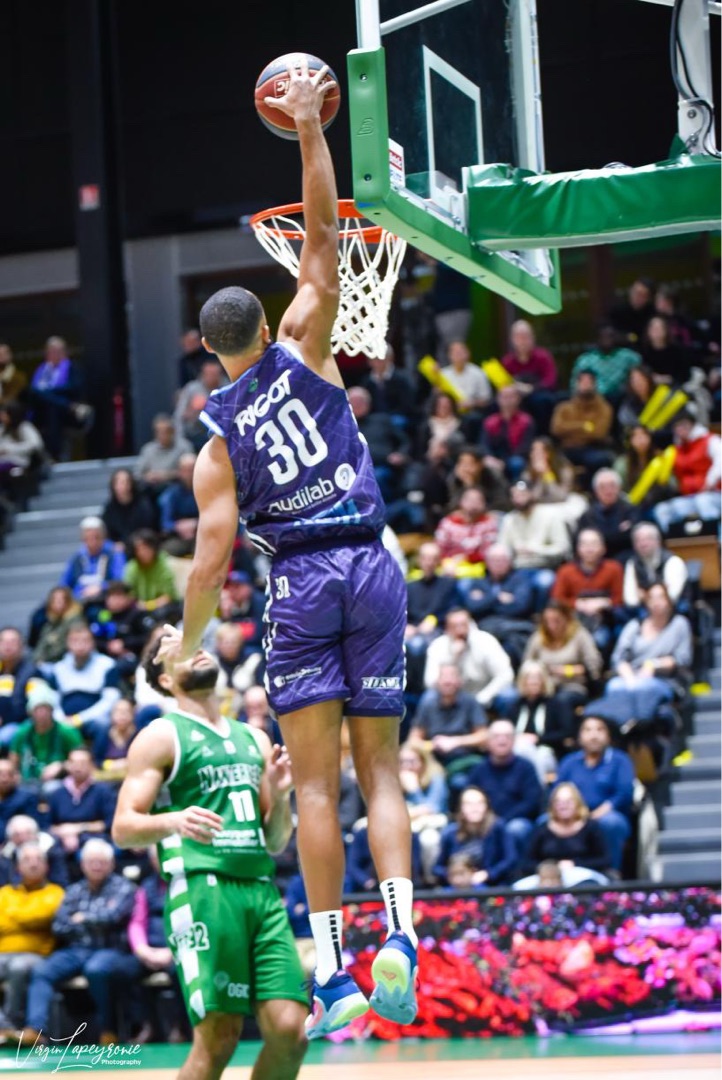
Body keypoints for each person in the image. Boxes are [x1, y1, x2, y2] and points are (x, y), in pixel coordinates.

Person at [151, 62, 417, 1038]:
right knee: (380, 771)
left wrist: (187, 639)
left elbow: (215, 558)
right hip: (371, 562)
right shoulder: (306, 340)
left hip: (300, 580)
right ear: (265, 325)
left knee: (312, 785)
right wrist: (310, 131)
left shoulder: (213, 444)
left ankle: (337, 970)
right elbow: (317, 241)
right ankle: (402, 934)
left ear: (204, 350)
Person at [112, 632, 308, 1079]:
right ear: (164, 678)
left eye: (194, 640)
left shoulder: (254, 738)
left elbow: (276, 840)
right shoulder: (161, 735)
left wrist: (279, 798)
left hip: (261, 890)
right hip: (204, 889)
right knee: (218, 1039)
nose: (193, 647)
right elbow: (123, 827)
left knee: (291, 1032)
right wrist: (172, 821)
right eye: (174, 648)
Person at [21, 838, 138, 1047]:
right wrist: (93, 919)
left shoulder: (123, 887)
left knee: (97, 970)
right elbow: (59, 925)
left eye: (101, 861)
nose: (96, 866)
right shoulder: (74, 890)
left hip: (110, 949)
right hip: (77, 949)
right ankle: (35, 1030)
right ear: (82, 864)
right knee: (42, 971)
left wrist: (82, 917)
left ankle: (107, 1030)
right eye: (91, 861)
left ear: (111, 864)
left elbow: (113, 917)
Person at [0, 842, 64, 1040]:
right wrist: (25, 919)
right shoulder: (5, 893)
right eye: (27, 860)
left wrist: (13, 916)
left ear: (47, 866)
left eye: (38, 860)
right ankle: (3, 1027)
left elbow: (42, 916)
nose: (33, 864)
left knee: (19, 967)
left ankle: (11, 1025)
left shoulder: (55, 892)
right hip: (3, 953)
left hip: (37, 955)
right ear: (18, 867)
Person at [605, 582, 693, 723]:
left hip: (664, 679)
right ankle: (620, 730)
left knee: (645, 688)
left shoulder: (679, 624)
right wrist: (629, 678)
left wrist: (654, 664)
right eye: (652, 598)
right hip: (632, 677)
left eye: (660, 597)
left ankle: (640, 727)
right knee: (614, 686)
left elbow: (683, 659)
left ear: (669, 601)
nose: (656, 602)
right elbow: (619, 658)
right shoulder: (635, 625)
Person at [554, 716, 634, 871]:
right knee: (543, 823)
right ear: (579, 737)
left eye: (599, 729)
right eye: (588, 730)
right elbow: (557, 791)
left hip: (606, 814)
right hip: (571, 814)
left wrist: (597, 814)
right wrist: (575, 815)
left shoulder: (620, 760)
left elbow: (624, 793)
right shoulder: (569, 762)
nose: (594, 735)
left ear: (608, 736)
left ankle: (611, 873)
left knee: (610, 823)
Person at [410, 663, 488, 801]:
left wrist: (455, 742)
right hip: (433, 759)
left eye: (452, 677)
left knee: (459, 782)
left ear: (459, 681)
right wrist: (431, 745)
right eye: (444, 677)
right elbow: (414, 739)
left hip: (463, 760)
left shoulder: (470, 702)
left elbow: (483, 736)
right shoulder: (428, 703)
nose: (448, 681)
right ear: (437, 681)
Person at [467, 720, 544, 860]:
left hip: (516, 820)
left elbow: (531, 802)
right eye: (496, 736)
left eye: (507, 736)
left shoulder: (526, 768)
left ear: (514, 741)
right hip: (483, 821)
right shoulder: (478, 770)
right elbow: (468, 797)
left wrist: (501, 821)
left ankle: (517, 875)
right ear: (488, 741)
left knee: (516, 829)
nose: (502, 741)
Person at [424, 609, 514, 711]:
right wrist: (453, 658)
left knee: (509, 696)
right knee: (429, 698)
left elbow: (506, 675)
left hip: (484, 692)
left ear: (470, 625)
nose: (460, 631)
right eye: (455, 626)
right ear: (447, 629)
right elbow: (430, 682)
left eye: (463, 625)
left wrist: (482, 698)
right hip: (452, 696)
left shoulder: (486, 641)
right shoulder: (438, 646)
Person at [522, 603, 603, 716]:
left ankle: (565, 733)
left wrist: (565, 670)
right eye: (547, 621)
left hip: (572, 685)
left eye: (556, 620)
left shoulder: (579, 635)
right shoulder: (539, 637)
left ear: (566, 618)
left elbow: (593, 665)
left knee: (560, 701)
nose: (552, 625)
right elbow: (527, 663)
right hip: (543, 686)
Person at [519, 783, 611, 883]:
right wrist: (551, 868)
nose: (563, 806)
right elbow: (526, 863)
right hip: (547, 881)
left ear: (577, 803)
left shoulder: (591, 827)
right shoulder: (542, 828)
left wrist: (574, 864)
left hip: (583, 878)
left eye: (569, 801)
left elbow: (604, 860)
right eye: (558, 802)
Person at [42, 624, 121, 739]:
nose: (80, 645)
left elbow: (110, 700)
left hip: (94, 717)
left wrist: (80, 719)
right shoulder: (58, 668)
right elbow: (52, 699)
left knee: (102, 725)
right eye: (75, 641)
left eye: (85, 640)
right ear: (67, 643)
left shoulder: (107, 665)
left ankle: (99, 758)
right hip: (63, 719)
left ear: (93, 643)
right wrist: (61, 718)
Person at [551, 529, 623, 652]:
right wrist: (579, 604)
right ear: (578, 548)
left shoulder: (614, 568)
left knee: (602, 640)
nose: (589, 549)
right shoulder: (566, 571)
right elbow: (557, 599)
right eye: (585, 544)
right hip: (573, 621)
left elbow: (620, 598)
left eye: (594, 544)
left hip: (603, 621)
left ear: (603, 548)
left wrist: (604, 603)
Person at [652, 410, 721, 533]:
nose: (681, 429)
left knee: (703, 501)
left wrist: (710, 482)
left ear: (692, 425)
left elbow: (720, 462)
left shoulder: (710, 440)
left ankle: (716, 541)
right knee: (662, 510)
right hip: (690, 498)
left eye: (684, 425)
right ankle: (674, 543)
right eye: (677, 427)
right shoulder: (674, 450)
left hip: (714, 494)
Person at [432, 786, 516, 887]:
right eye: (469, 804)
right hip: (457, 887)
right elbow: (437, 868)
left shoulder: (498, 828)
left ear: (487, 806)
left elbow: (510, 859)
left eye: (479, 803)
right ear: (461, 808)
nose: (474, 808)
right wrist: (454, 876)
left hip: (491, 885)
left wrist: (488, 874)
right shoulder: (450, 832)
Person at [9, 684, 83, 792]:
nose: (42, 713)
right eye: (38, 709)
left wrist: (61, 765)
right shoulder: (23, 732)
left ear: (52, 710)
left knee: (52, 789)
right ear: (30, 712)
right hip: (28, 779)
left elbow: (82, 761)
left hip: (59, 781)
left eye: (45, 709)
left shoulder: (66, 732)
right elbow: (13, 760)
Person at [47, 746, 116, 856]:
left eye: (83, 763)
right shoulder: (57, 793)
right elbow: (48, 825)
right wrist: (65, 834)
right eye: (73, 763)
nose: (77, 767)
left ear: (91, 766)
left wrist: (78, 829)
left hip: (93, 839)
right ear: (67, 765)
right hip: (61, 839)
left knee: (94, 850)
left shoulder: (103, 791)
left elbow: (108, 824)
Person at [550, 370, 614, 483]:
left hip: (591, 448)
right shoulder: (564, 407)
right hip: (567, 449)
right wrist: (583, 426)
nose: (585, 385)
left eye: (588, 382)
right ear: (576, 384)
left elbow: (599, 433)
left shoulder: (604, 408)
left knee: (601, 459)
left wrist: (569, 430)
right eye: (582, 381)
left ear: (594, 384)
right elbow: (556, 429)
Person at [500, 320, 558, 432]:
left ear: (532, 338)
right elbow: (502, 384)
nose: (522, 341)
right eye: (519, 337)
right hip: (515, 396)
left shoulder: (543, 357)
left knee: (543, 401)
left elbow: (550, 381)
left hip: (538, 394)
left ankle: (542, 435)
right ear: (512, 340)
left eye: (525, 337)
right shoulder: (507, 361)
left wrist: (531, 388)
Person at [60, 517, 126, 605]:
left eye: (96, 537)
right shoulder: (76, 557)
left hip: (106, 600)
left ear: (103, 537)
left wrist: (102, 587)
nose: (92, 542)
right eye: (88, 538)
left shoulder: (114, 553)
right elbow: (64, 584)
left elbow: (119, 580)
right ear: (83, 539)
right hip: (79, 601)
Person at [623, 522, 688, 610]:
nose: (643, 544)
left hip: (674, 613)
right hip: (642, 613)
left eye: (648, 539)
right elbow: (630, 600)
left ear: (658, 541)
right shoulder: (632, 563)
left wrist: (644, 596)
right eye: (638, 540)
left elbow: (671, 597)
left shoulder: (673, 561)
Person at [434, 486, 500, 571]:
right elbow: (439, 547)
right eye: (470, 500)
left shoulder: (489, 523)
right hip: (450, 565)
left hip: (480, 567)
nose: (474, 504)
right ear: (461, 502)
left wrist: (466, 558)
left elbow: (488, 550)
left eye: (478, 500)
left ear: (484, 504)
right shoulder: (448, 523)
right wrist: (447, 561)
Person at [576, 468, 639, 558]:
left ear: (619, 488)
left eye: (612, 486)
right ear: (596, 491)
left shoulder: (630, 510)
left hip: (625, 555)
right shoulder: (588, 515)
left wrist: (603, 537)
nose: (608, 491)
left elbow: (632, 536)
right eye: (603, 487)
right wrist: (619, 532)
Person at [571, 323, 641, 400]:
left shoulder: (627, 356)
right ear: (597, 338)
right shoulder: (586, 360)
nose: (607, 340)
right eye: (603, 336)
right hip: (594, 399)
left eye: (610, 336)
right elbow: (574, 383)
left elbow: (640, 371)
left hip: (621, 398)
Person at [101, 468, 157, 555]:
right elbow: (107, 533)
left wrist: (128, 544)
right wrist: (114, 544)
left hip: (140, 546)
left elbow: (148, 530)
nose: (121, 486)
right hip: (117, 549)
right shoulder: (109, 508)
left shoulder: (143, 505)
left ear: (131, 484)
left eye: (124, 482)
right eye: (118, 482)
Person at [175, 359, 227, 452]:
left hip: (221, 435)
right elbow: (179, 415)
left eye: (215, 374)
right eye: (209, 374)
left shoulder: (227, 388)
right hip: (194, 434)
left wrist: (209, 406)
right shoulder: (192, 389)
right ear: (203, 375)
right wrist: (193, 411)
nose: (212, 377)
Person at [134, 414, 194, 495]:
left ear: (173, 431)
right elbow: (137, 474)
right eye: (159, 432)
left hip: (178, 488)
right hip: (152, 489)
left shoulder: (184, 447)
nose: (163, 435)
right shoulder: (148, 450)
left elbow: (192, 472)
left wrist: (167, 475)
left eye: (166, 431)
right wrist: (147, 477)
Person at [0, 627, 40, 747]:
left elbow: (23, 707)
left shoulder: (32, 672)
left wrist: (4, 718)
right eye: (3, 642)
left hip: (20, 724)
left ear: (22, 646)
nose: (8, 646)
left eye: (13, 642)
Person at [158, 453, 200, 557]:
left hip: (202, 534)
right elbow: (165, 522)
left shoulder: (208, 490)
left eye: (192, 468)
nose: (190, 473)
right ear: (179, 472)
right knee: (163, 553)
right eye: (186, 470)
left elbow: (214, 517)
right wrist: (178, 527)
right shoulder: (171, 494)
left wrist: (195, 524)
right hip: (178, 537)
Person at [0, 761, 40, 844]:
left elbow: (33, 827)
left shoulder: (26, 797)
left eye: (9, 774)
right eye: (1, 774)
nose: (4, 779)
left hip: (17, 845)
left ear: (16, 776)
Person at [608, 277, 655, 345]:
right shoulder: (618, 309)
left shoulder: (651, 313)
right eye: (634, 292)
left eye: (641, 294)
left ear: (648, 298)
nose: (636, 296)